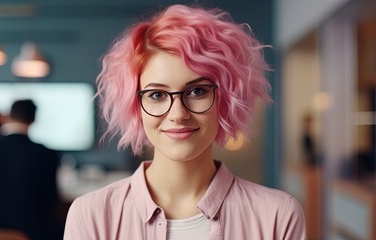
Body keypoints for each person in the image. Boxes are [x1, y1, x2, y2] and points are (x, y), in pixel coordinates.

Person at [64, 4, 306, 240]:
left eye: (197, 91)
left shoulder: (278, 216)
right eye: (157, 95)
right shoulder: (90, 216)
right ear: (136, 106)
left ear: (225, 99)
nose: (178, 114)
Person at [0, 99, 62, 240]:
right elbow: (51, 199)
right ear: (33, 119)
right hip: (35, 234)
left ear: (8, 116)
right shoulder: (47, 155)